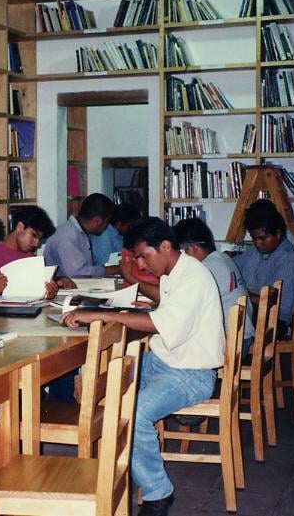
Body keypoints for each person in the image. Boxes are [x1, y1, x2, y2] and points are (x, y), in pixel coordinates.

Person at [63, 217, 224, 516]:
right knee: (100, 379)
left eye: (143, 256)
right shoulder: (177, 270)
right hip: (164, 362)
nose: (140, 263)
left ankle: (158, 493)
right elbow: (167, 304)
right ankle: (116, 465)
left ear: (165, 246)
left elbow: (160, 324)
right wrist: (138, 304)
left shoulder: (194, 277)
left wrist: (101, 315)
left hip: (191, 374)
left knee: (134, 413)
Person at [174, 217, 255, 354]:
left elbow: (184, 308)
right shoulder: (221, 258)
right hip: (240, 335)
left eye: (179, 253)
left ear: (193, 248)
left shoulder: (207, 269)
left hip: (232, 342)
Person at [232, 199, 294, 334]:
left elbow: (279, 308)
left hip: (274, 320)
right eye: (254, 239)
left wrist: (243, 294)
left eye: (262, 238)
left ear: (278, 234)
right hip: (256, 309)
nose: (258, 244)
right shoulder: (257, 250)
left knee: (223, 317)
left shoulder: (288, 260)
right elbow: (233, 264)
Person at [0, 205, 75, 297]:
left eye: (39, 239)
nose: (36, 244)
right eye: (34, 235)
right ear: (20, 227)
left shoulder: (30, 258)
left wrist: (50, 291)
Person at [43, 193, 120, 277]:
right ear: (97, 221)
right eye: (107, 222)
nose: (107, 226)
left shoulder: (83, 233)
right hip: (60, 288)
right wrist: (114, 269)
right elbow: (78, 273)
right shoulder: (67, 234)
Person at [90, 202, 141, 266]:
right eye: (129, 226)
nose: (130, 229)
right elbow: (106, 263)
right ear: (119, 224)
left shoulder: (118, 234)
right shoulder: (104, 235)